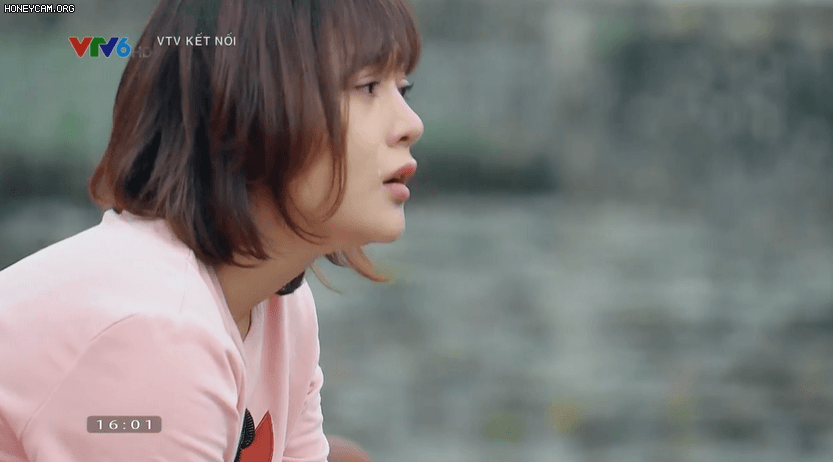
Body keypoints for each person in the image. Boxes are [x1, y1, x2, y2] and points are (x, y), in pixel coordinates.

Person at [0, 0, 423, 460]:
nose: (411, 124)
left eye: (403, 89)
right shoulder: (158, 332)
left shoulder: (281, 309)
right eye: (368, 87)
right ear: (247, 109)